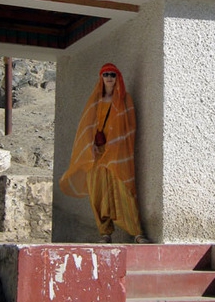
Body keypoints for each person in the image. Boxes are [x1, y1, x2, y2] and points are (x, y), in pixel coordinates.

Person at [59, 63, 150, 244]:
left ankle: (137, 233)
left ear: (118, 78)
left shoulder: (125, 99)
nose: (109, 78)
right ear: (101, 78)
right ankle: (105, 233)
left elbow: (129, 127)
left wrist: (115, 143)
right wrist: (90, 144)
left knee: (124, 190)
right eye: (106, 74)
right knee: (97, 193)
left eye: (113, 75)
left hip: (116, 155)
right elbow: (86, 128)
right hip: (97, 155)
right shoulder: (95, 101)